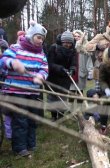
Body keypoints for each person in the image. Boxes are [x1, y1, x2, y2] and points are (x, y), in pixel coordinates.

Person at [0, 21, 48, 157]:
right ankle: (20, 148)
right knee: (20, 119)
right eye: (38, 37)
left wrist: (41, 76)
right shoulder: (15, 48)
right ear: (31, 35)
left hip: (32, 91)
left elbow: (44, 68)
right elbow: (2, 61)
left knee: (31, 119)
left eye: (42, 39)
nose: (40, 41)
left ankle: (31, 145)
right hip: (16, 91)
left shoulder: (41, 53)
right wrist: (13, 63)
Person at [46, 31, 77, 121]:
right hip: (53, 77)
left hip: (65, 78)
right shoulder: (53, 48)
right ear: (62, 41)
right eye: (66, 42)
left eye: (69, 43)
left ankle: (61, 115)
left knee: (63, 97)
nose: (67, 45)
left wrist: (72, 69)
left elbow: (73, 63)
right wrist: (60, 68)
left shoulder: (73, 50)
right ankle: (53, 116)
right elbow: (50, 63)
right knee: (53, 97)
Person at [70, 30, 93, 94]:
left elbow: (89, 62)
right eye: (75, 36)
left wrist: (90, 73)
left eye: (79, 36)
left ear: (82, 37)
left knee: (80, 92)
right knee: (71, 91)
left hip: (81, 73)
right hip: (72, 73)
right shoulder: (70, 48)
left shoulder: (86, 50)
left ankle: (80, 104)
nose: (76, 37)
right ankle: (69, 104)